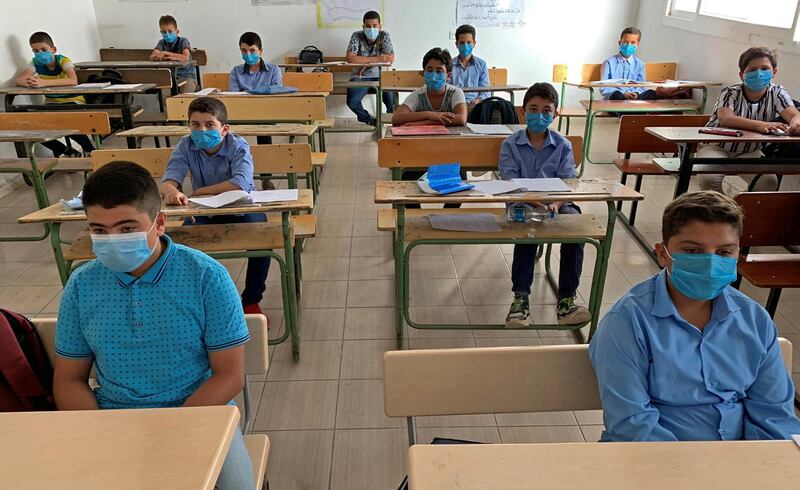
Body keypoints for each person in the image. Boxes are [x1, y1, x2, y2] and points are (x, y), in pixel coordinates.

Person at [53, 161, 255, 489]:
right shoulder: (81, 285)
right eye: (99, 231)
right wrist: (97, 431)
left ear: (159, 223)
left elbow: (229, 375)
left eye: (127, 228)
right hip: (113, 418)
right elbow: (69, 379)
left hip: (200, 411)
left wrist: (174, 430)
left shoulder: (206, 277)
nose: (112, 240)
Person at [590, 191, 800, 442]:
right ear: (662, 253)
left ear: (737, 255)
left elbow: (773, 415)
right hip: (655, 464)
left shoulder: (754, 320)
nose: (710, 264)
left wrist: (761, 469)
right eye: (693, 250)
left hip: (741, 465)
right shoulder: (627, 322)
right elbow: (632, 423)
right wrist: (695, 473)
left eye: (723, 253)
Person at [160, 97, 270, 318]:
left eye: (209, 125)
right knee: (179, 245)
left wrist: (199, 192)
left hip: (242, 208)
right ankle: (194, 302)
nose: (202, 130)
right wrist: (173, 191)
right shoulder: (186, 145)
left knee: (264, 241)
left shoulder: (238, 145)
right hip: (205, 210)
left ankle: (251, 300)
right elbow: (169, 179)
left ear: (224, 129)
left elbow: (239, 182)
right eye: (195, 125)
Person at [500, 82, 590, 327]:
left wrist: (555, 203)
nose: (539, 115)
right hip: (522, 203)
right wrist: (537, 203)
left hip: (557, 203)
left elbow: (569, 182)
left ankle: (566, 301)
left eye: (546, 110)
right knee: (529, 228)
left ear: (555, 114)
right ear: (523, 111)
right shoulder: (510, 144)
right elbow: (511, 182)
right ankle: (520, 299)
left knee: (575, 228)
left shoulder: (563, 145)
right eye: (533, 108)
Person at [698, 47, 800, 195]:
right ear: (741, 74)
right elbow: (726, 118)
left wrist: (796, 124)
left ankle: (745, 210)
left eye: (765, 68)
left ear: (774, 72)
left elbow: (794, 114)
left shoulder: (777, 93)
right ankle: (721, 213)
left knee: (768, 181)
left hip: (749, 151)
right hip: (716, 147)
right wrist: (762, 125)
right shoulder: (730, 93)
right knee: (709, 179)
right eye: (752, 69)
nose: (759, 73)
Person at [15, 31, 94, 158]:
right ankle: (65, 151)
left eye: (43, 49)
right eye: (35, 51)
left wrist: (44, 83)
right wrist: (31, 82)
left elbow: (73, 80)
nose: (39, 53)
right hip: (51, 103)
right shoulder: (36, 63)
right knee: (33, 126)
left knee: (65, 121)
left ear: (53, 49)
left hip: (72, 101)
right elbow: (19, 80)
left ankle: (89, 149)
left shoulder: (63, 60)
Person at [391, 47, 467, 127]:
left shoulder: (455, 92)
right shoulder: (418, 95)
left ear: (448, 76)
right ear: (424, 73)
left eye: (439, 71)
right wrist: (429, 115)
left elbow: (461, 119)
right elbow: (396, 118)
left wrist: (424, 123)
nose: (434, 76)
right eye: (430, 71)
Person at [229, 31, 282, 145]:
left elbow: (275, 92)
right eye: (244, 50)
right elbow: (233, 95)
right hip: (242, 110)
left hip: (266, 110)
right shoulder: (236, 71)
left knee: (263, 121)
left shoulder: (273, 70)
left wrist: (247, 92)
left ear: (260, 51)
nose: (248, 54)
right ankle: (237, 153)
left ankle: (265, 154)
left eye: (252, 50)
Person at [345, 10, 395, 126]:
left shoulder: (384, 35)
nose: (371, 29)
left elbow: (390, 58)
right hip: (360, 77)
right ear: (363, 26)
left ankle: (392, 120)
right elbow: (350, 58)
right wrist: (377, 59)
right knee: (352, 101)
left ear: (380, 26)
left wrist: (365, 63)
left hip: (381, 76)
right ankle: (369, 120)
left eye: (374, 26)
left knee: (391, 98)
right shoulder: (356, 36)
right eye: (368, 26)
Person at [599, 27, 656, 101]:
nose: (629, 45)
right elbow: (603, 87)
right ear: (620, 43)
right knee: (617, 95)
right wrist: (623, 94)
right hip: (615, 98)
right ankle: (630, 111)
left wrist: (636, 93)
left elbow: (642, 86)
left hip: (634, 99)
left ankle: (634, 111)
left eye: (633, 43)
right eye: (626, 42)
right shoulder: (609, 62)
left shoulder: (640, 64)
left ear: (638, 44)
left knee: (651, 93)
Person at [150, 14, 197, 93]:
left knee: (185, 96)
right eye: (164, 32)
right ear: (161, 32)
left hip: (186, 78)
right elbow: (152, 56)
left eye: (170, 31)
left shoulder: (183, 41)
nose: (167, 34)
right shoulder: (161, 43)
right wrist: (158, 56)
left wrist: (165, 53)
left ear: (177, 31)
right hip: (169, 79)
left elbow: (185, 57)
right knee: (165, 97)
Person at [450, 24, 490, 107]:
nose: (465, 45)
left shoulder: (481, 64)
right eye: (462, 42)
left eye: (468, 42)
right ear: (456, 44)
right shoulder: (450, 65)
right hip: (455, 105)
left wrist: (477, 100)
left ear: (474, 43)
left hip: (476, 106)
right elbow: (447, 89)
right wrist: (459, 103)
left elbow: (486, 91)